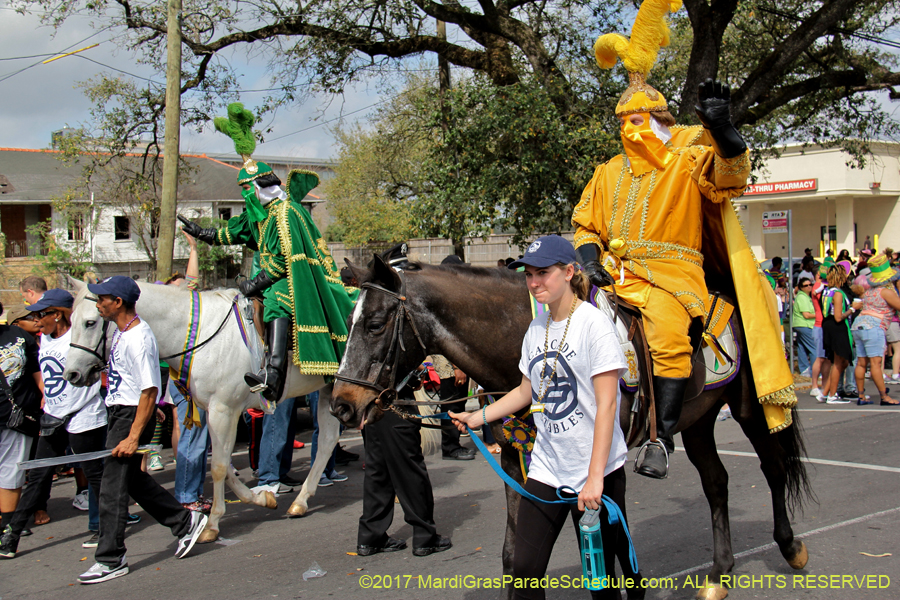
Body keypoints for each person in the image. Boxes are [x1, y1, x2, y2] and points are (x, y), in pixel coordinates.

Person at [572, 0, 795, 479]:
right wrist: (590, 263)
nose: (630, 129)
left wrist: (723, 129)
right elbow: (586, 225)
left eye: (639, 120)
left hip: (674, 276)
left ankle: (660, 437)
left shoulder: (687, 158)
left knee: (668, 335)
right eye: (623, 122)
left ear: (660, 120)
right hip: (612, 273)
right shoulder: (607, 171)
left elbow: (731, 175)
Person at [451, 235, 637, 600]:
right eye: (529, 275)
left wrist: (595, 478)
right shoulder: (536, 328)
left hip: (595, 474)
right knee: (524, 573)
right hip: (548, 468)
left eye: (543, 273)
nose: (534, 282)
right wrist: (479, 417)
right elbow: (525, 391)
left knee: (601, 581)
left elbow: (607, 406)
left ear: (569, 272)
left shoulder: (593, 325)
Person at [179, 102, 357, 403]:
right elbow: (234, 231)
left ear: (259, 188)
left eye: (246, 191)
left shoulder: (284, 212)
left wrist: (254, 284)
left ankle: (272, 374)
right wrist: (201, 232)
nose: (244, 197)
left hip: (294, 279)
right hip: (271, 275)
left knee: (276, 300)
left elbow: (281, 263)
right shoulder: (262, 214)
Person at [77, 276, 208, 584]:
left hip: (131, 417)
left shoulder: (139, 337)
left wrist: (135, 434)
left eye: (102, 299)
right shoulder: (122, 332)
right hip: (125, 412)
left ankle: (111, 558)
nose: (98, 304)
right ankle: (185, 522)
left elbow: (150, 390)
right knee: (132, 479)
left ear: (118, 302)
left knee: (111, 488)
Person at [356, 243, 450, 558]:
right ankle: (424, 536)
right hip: (393, 396)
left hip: (372, 400)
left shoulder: (367, 303)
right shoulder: (393, 306)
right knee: (409, 468)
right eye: (401, 269)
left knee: (378, 471)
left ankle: (371, 535)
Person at [0, 289, 107, 558]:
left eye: (40, 314)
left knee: (96, 476)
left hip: (83, 414)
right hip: (53, 416)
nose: (36, 320)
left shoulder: (76, 338)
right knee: (38, 476)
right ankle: (11, 537)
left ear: (57, 314)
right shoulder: (44, 339)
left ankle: (106, 527)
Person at [0, 301, 43, 536]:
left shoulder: (17, 335)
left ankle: (9, 522)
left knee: (12, 469)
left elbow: (35, 368)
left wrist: (45, 394)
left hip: (17, 414)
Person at [851, 255, 900, 406]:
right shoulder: (886, 292)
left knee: (861, 363)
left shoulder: (869, 291)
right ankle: (884, 397)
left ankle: (861, 395)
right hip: (874, 326)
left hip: (859, 325)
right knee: (875, 363)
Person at [818, 266, 857, 404]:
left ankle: (825, 393)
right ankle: (832, 395)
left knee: (842, 362)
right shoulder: (838, 294)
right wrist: (852, 309)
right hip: (837, 327)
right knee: (839, 361)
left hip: (828, 326)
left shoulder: (826, 291)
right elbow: (839, 317)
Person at [793, 278, 816, 377]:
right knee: (814, 348)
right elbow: (806, 315)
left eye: (810, 284)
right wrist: (819, 315)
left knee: (801, 347)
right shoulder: (802, 297)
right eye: (806, 285)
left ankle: (805, 369)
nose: (809, 286)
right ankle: (815, 370)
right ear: (801, 287)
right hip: (804, 325)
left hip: (801, 325)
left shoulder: (805, 297)